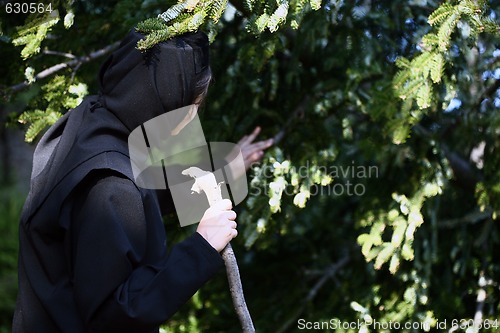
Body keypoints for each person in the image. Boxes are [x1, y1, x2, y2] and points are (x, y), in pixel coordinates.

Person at [13, 29, 272, 333]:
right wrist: (201, 248)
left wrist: (222, 171)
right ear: (164, 103)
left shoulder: (91, 123)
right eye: (192, 107)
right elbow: (113, 316)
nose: (193, 118)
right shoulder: (110, 185)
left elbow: (140, 192)